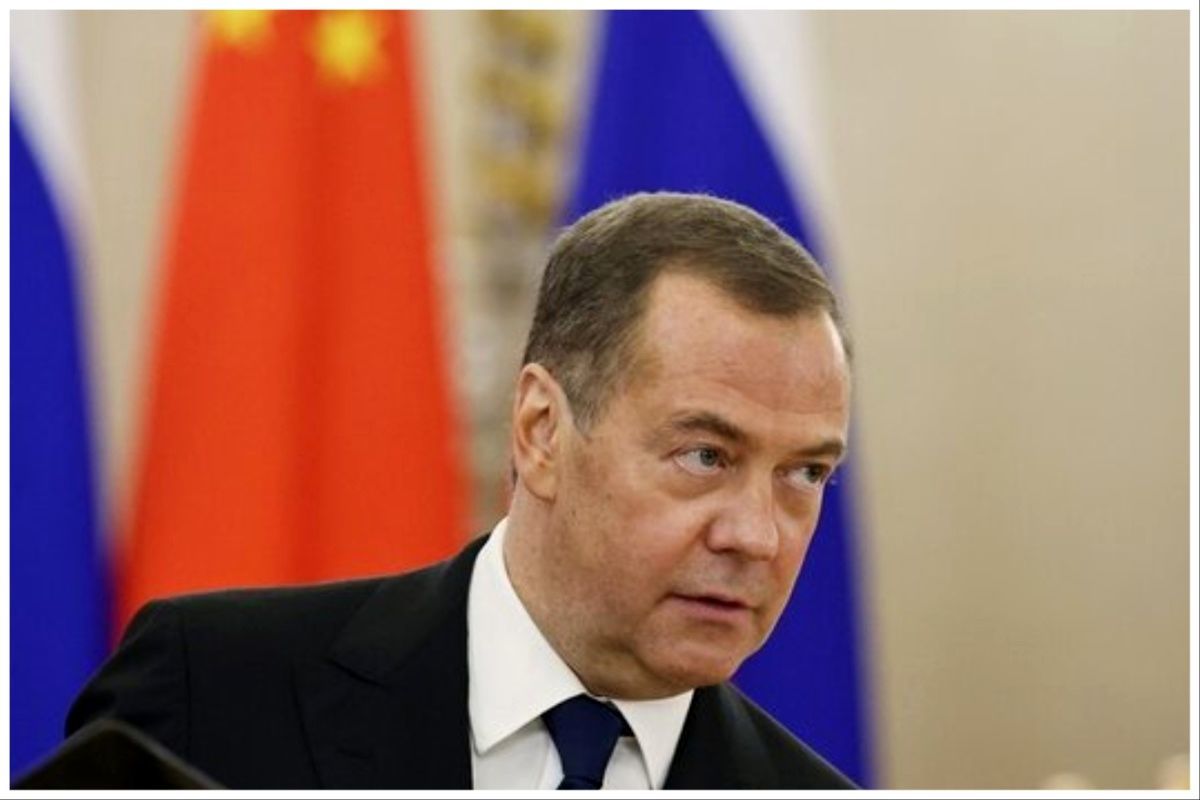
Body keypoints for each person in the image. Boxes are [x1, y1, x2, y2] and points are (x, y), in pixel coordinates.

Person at [66, 192, 856, 789]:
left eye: (806, 473)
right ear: (542, 431)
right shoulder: (212, 692)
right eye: (707, 456)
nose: (758, 536)